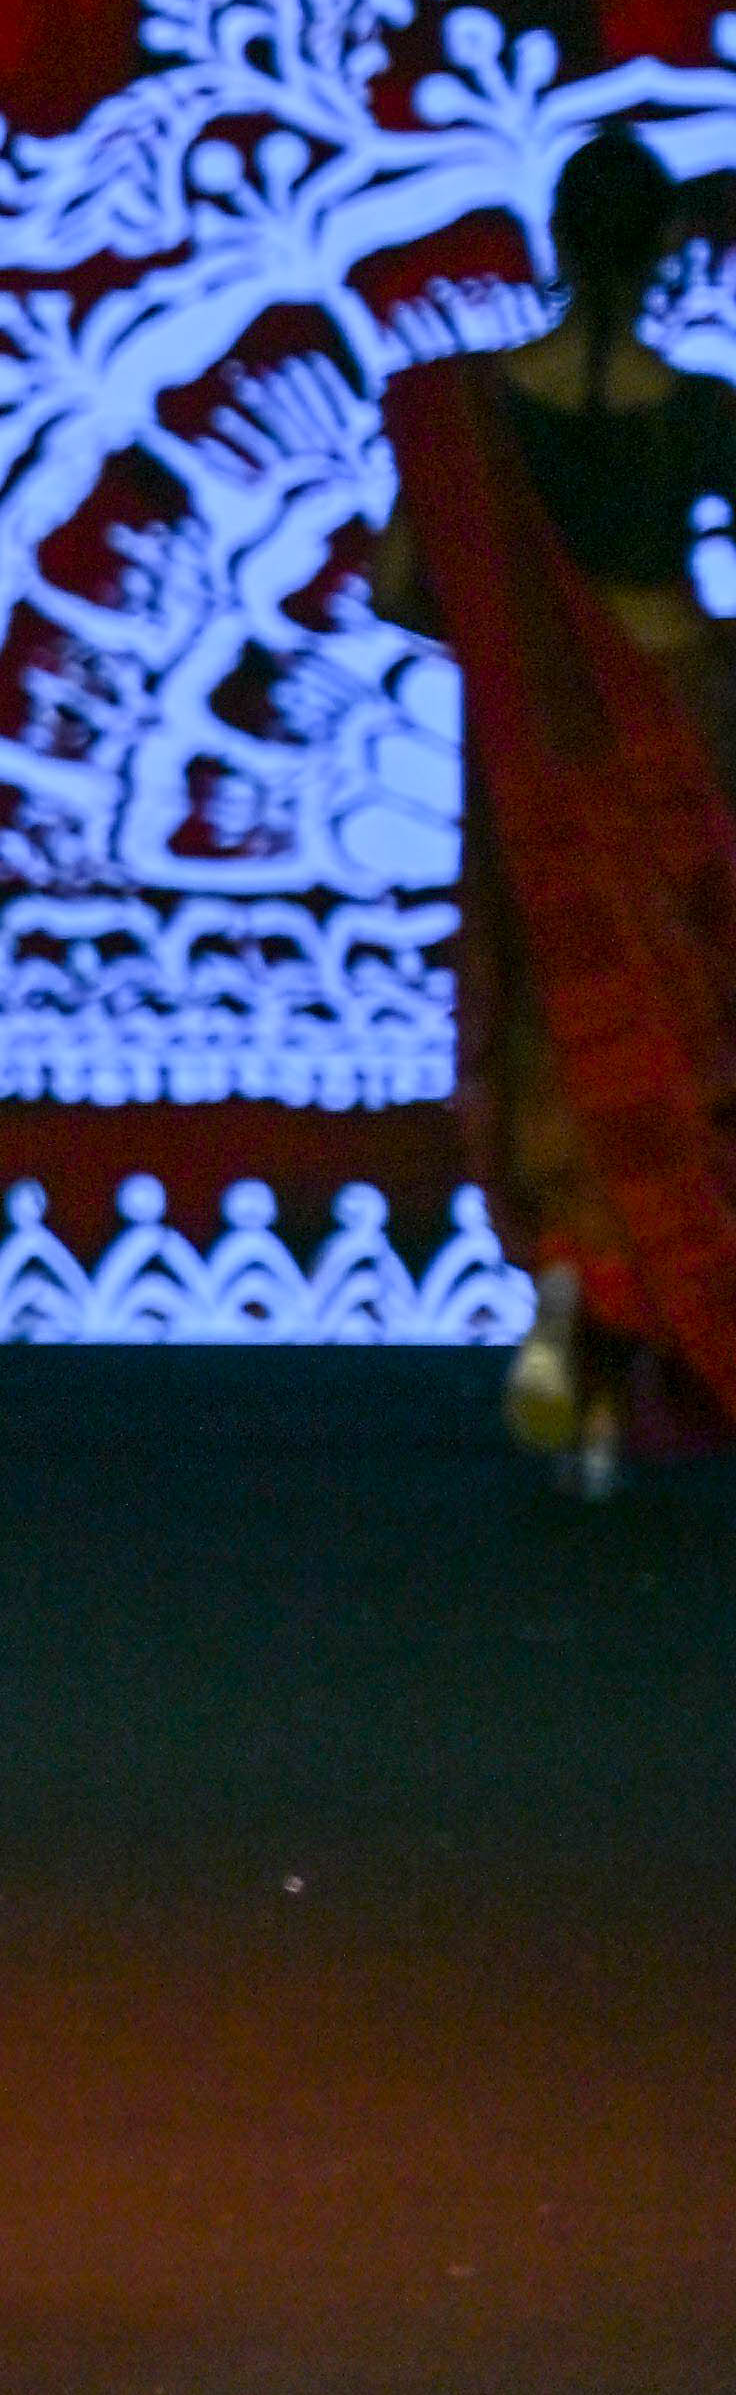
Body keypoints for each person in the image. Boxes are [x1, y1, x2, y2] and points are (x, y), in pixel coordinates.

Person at [369, 127, 736, 1493]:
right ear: (667, 253)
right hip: (681, 737)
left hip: (538, 752)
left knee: (551, 1019)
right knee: (683, 1030)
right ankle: (642, 1330)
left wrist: (531, 642)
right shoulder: (700, 409)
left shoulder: (470, 411)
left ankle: (568, 1309)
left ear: (550, 242)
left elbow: (401, 586)